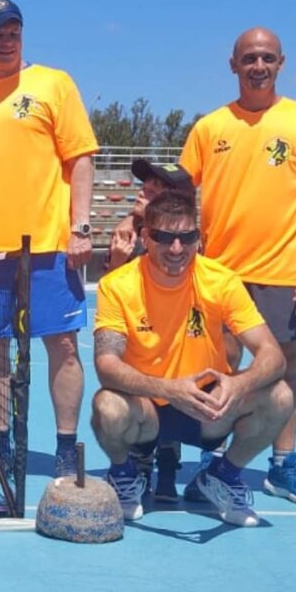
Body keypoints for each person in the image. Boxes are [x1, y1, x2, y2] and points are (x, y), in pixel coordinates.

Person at [180, 26, 296, 506]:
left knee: (285, 367)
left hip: (284, 273)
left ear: (281, 63)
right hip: (221, 273)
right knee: (220, 366)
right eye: (249, 58)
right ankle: (216, 458)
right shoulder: (209, 128)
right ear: (233, 64)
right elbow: (175, 192)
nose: (258, 66)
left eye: (267, 58)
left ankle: (282, 465)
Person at [0, 0, 98, 482]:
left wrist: (80, 226)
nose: (6, 37)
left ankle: (63, 449)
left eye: (13, 29)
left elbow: (81, 156)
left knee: (62, 346)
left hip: (48, 245)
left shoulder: (54, 83)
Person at [92, 189, 291, 527]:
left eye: (187, 237)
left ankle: (222, 475)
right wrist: (171, 389)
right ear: (145, 237)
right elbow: (106, 365)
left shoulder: (221, 280)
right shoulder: (117, 285)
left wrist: (239, 382)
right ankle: (125, 474)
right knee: (106, 406)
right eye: (164, 237)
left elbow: (272, 355)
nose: (176, 248)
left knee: (280, 396)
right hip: (147, 409)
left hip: (207, 407)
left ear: (198, 238)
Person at [103, 157, 196, 501]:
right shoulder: (128, 232)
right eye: (145, 187)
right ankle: (141, 461)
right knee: (135, 392)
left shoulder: (184, 240)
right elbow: (112, 288)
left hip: (175, 338)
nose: (144, 192)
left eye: (155, 189)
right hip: (138, 337)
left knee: (172, 388)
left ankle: (170, 465)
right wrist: (116, 259)